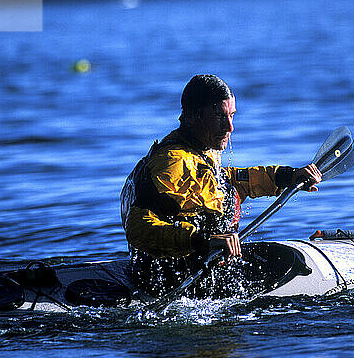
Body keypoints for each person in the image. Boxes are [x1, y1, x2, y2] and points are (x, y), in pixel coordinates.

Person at [120, 74, 321, 296]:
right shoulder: (173, 162)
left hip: (201, 264)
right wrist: (202, 242)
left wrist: (286, 176)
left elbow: (227, 183)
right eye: (218, 117)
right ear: (193, 116)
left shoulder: (201, 148)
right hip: (173, 279)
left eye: (232, 116)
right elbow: (138, 228)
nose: (229, 127)